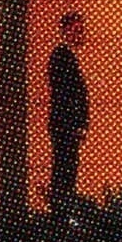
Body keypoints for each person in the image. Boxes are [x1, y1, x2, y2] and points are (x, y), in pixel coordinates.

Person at [45, 13, 92, 208]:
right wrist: (76, 124)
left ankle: (62, 207)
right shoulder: (62, 57)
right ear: (65, 31)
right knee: (65, 170)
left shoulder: (66, 56)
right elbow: (66, 95)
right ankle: (61, 209)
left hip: (65, 125)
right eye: (77, 30)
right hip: (65, 125)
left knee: (66, 169)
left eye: (81, 31)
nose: (80, 35)